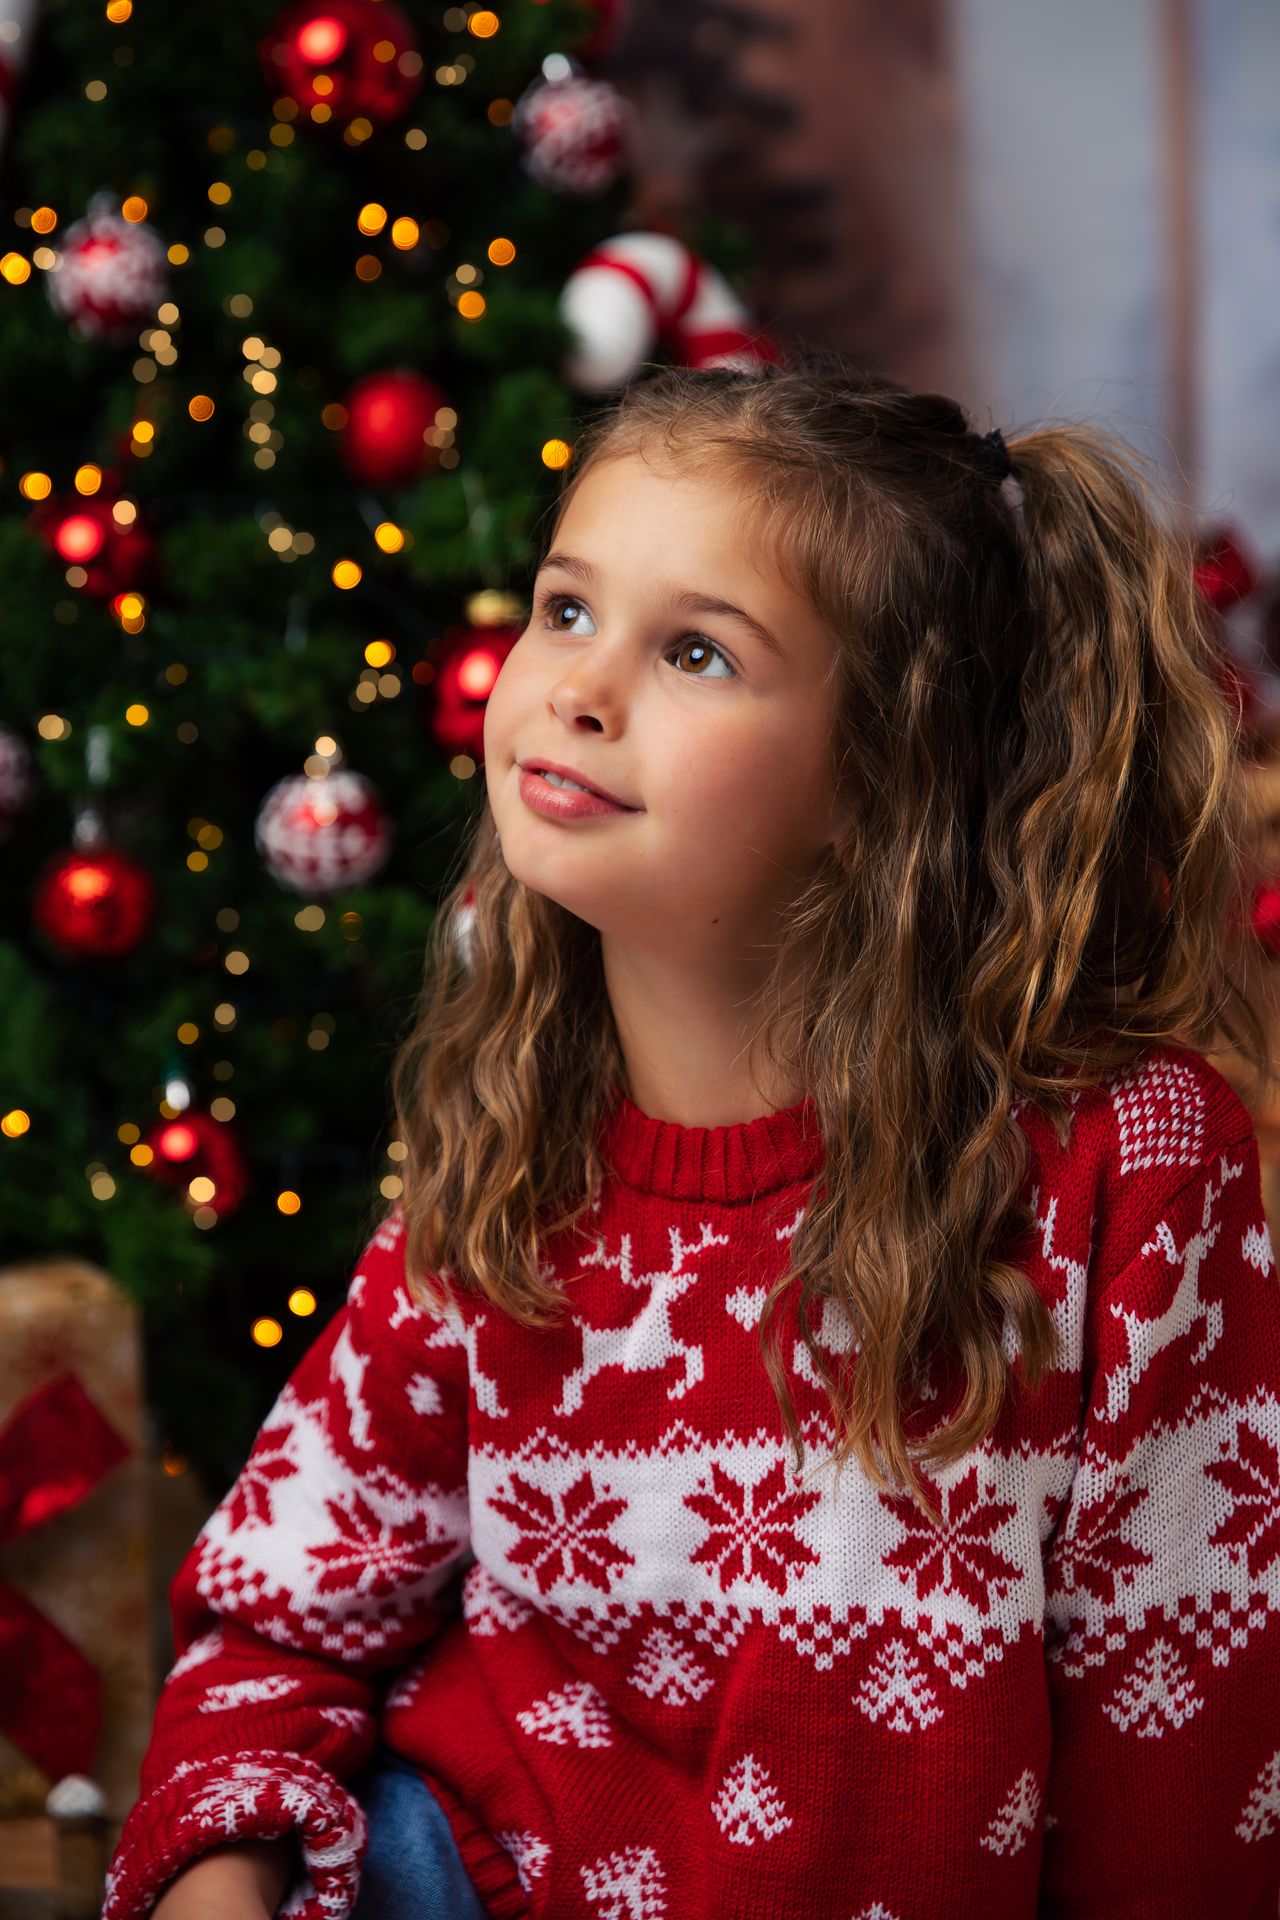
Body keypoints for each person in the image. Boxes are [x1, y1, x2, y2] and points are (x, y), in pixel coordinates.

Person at [103, 346, 1280, 1920]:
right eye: (567, 608)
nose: (576, 685)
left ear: (880, 769)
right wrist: (216, 1882)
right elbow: (276, 1616)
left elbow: (1182, 1747)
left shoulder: (1122, 1167)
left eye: (699, 654)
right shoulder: (505, 1168)